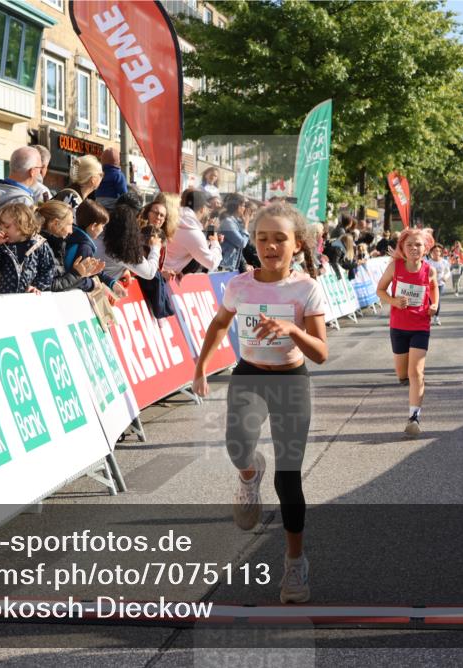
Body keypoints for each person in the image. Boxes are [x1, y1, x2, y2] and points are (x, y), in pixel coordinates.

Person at [192, 202, 327, 604]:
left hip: (290, 381)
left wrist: (291, 330)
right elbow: (220, 324)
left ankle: (295, 563)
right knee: (237, 448)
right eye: (263, 238)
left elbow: (321, 353)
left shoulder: (306, 288)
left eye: (279, 239)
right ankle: (250, 476)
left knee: (288, 479)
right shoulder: (240, 285)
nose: (270, 246)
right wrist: (200, 368)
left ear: (297, 244)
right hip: (250, 374)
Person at [376, 228, 439, 437]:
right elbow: (380, 290)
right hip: (398, 327)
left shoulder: (429, 270)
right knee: (403, 374)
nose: (414, 248)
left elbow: (433, 288)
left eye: (418, 245)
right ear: (402, 247)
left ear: (425, 248)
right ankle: (406, 380)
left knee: (417, 373)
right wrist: (394, 301)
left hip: (420, 326)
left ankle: (414, 418)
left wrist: (434, 304)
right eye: (409, 244)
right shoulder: (395, 266)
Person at [0, 203, 54, 294]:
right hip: (4, 295)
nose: (3, 230)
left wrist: (37, 286)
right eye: (0, 227)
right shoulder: (3, 245)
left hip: (28, 297)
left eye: (7, 227)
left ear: (23, 224)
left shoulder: (39, 245)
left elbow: (48, 270)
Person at [35, 200, 106, 292]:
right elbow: (47, 286)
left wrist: (82, 274)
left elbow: (58, 278)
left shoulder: (57, 244)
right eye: (69, 224)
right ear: (56, 223)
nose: (71, 231)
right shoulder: (42, 248)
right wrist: (76, 274)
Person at [96, 204, 162, 281]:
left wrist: (122, 271)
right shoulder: (125, 248)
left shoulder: (97, 230)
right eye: (140, 218)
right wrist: (155, 247)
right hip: (100, 284)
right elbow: (149, 273)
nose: (142, 221)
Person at [163, 189, 222, 275]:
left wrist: (210, 232)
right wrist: (215, 242)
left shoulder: (173, 218)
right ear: (202, 209)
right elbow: (211, 263)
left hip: (161, 273)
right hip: (163, 277)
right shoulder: (192, 231)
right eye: (208, 209)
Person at [219, 193, 249, 272]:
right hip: (224, 267)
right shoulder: (228, 222)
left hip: (229, 266)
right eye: (243, 206)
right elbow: (242, 243)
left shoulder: (234, 221)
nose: (244, 209)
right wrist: (246, 226)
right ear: (238, 206)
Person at [425, 244, 450, 326]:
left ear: (441, 252)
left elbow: (448, 271)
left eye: (439, 251)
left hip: (440, 284)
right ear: (431, 252)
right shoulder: (428, 262)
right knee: (429, 301)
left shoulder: (444, 262)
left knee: (437, 301)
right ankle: (428, 317)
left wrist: (445, 277)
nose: (437, 253)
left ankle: (436, 317)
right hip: (430, 284)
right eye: (435, 251)